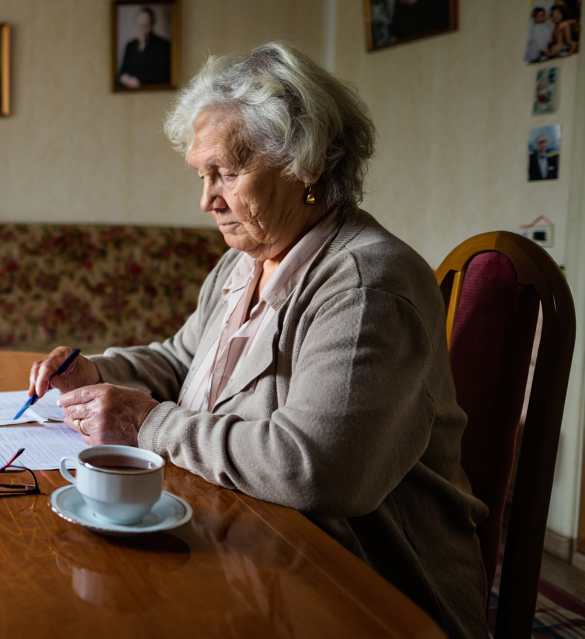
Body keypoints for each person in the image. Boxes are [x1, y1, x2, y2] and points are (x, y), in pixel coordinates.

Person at [27, 43, 487, 639]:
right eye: (201, 174)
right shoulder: (244, 262)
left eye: (227, 172)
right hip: (253, 544)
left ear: (308, 164)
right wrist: (94, 371)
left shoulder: (368, 284)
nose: (206, 200)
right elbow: (182, 360)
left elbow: (318, 470)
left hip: (367, 586)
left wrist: (146, 424)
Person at [118, 7, 172, 88]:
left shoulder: (163, 46)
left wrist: (139, 80)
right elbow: (122, 72)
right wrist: (127, 79)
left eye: (146, 25)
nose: (143, 29)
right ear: (135, 25)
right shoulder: (130, 46)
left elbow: (163, 75)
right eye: (140, 26)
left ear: (152, 24)